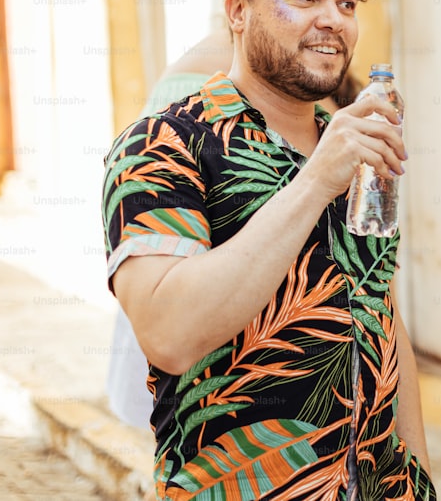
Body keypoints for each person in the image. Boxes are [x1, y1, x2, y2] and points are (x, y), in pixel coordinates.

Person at [101, 0, 436, 500]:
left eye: (347, 3)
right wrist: (313, 184)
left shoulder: (354, 141)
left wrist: (421, 479)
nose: (333, 20)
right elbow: (169, 333)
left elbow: (381, 315)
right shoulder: (164, 143)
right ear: (238, 11)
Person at [105, 29, 361, 430]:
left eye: (347, 4)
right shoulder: (196, 114)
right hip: (205, 305)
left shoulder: (208, 59)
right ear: (238, 9)